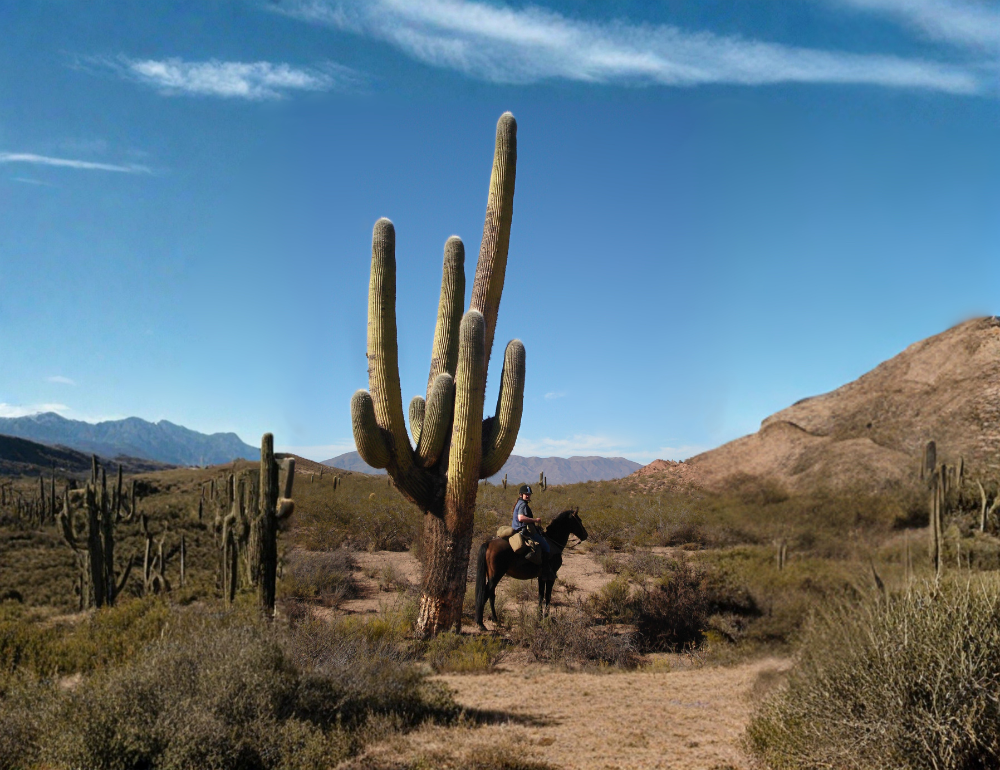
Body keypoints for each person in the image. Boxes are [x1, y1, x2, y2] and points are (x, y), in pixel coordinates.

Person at [512, 484, 549, 554]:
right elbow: (521, 518)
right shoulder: (523, 504)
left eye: (529, 494)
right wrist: (535, 520)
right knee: (546, 546)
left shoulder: (519, 503)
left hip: (516, 529)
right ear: (521, 495)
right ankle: (545, 564)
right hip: (523, 531)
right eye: (526, 494)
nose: (528, 496)